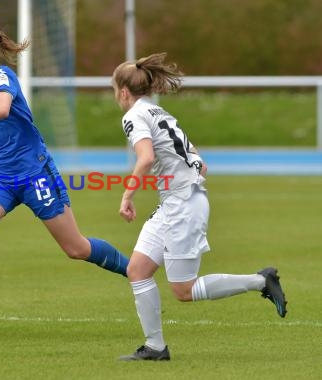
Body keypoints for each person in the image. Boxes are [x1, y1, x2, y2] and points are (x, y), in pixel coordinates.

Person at [0, 26, 130, 333]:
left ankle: (135, 270)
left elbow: (1, 109)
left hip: (35, 175)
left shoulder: (0, 77)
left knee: (76, 248)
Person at [111, 52, 288, 361]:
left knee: (184, 290)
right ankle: (155, 348)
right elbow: (201, 164)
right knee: (137, 270)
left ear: (123, 91)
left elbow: (147, 157)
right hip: (176, 203)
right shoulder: (160, 113)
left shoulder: (133, 115)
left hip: (182, 206)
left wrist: (127, 196)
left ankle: (261, 280)